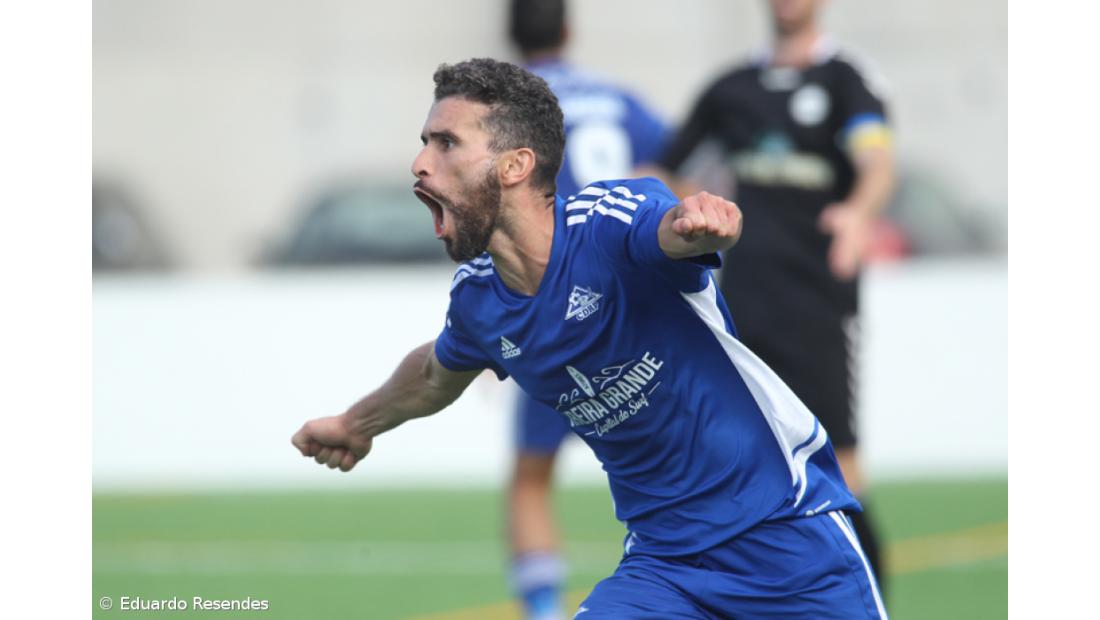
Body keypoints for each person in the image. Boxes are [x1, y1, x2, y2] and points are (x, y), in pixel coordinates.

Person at [291, 57, 886, 619]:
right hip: (664, 569)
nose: (421, 163)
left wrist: (698, 222)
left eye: (446, 143)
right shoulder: (479, 300)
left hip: (785, 537)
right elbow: (430, 376)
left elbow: (665, 230)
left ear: (515, 165)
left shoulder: (609, 220)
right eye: (424, 142)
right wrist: (355, 425)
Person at [654, 0, 896, 589]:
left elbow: (877, 161)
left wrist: (859, 213)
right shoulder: (731, 88)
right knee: (738, 462)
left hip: (819, 304)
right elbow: (662, 168)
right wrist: (695, 210)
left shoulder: (846, 78)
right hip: (744, 306)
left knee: (839, 463)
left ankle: (866, 601)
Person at [505, 1, 669, 618]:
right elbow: (669, 161)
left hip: (554, 307)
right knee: (667, 463)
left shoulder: (510, 112)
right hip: (634, 299)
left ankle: (545, 610)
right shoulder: (616, 98)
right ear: (569, 30)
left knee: (530, 478)